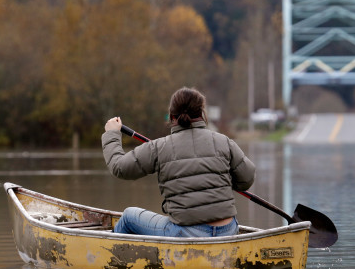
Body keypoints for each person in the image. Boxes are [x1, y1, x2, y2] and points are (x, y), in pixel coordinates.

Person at [102, 87, 255, 237]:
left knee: (129, 216)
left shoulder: (159, 147)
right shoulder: (224, 142)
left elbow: (119, 167)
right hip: (228, 230)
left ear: (172, 116)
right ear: (202, 113)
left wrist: (112, 133)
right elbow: (246, 179)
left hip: (187, 233)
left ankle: (107, 257)